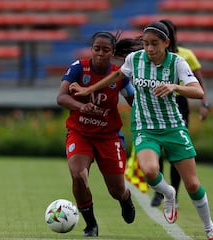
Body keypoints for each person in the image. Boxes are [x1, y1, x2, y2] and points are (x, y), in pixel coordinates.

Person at [69, 21, 213, 240]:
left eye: (154, 44)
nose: (149, 48)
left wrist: (174, 87)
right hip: (145, 128)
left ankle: (210, 228)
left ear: (166, 43)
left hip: (173, 126)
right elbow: (116, 76)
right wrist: (88, 89)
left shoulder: (177, 63)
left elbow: (197, 91)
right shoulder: (135, 59)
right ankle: (168, 192)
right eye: (145, 43)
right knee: (150, 171)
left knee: (192, 184)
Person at [56, 31, 140, 237]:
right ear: (91, 50)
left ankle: (125, 198)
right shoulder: (78, 68)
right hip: (80, 133)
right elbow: (61, 97)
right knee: (78, 175)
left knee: (116, 190)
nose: (100, 54)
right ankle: (91, 224)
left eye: (106, 50)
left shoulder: (118, 75)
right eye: (96, 49)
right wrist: (79, 106)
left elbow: (134, 101)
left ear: (112, 52)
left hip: (108, 136)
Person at [150, 19, 210, 207]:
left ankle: (174, 192)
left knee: (175, 151)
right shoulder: (150, 54)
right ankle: (160, 193)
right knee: (156, 150)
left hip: (178, 104)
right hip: (156, 103)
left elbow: (198, 81)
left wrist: (204, 103)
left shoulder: (185, 55)